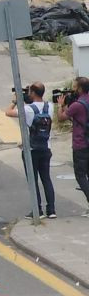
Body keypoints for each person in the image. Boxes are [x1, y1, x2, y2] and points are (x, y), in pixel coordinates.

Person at [6, 82, 56, 219]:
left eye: (29, 92)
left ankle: (37, 210)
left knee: (33, 180)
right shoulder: (50, 107)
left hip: (32, 150)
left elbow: (8, 112)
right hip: (46, 148)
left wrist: (15, 101)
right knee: (46, 178)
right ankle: (51, 210)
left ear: (33, 93)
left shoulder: (27, 109)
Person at [57, 77, 89, 217]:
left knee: (80, 175)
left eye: (75, 87)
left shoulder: (77, 105)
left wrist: (61, 105)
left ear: (80, 88)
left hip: (80, 143)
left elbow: (61, 118)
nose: (73, 90)